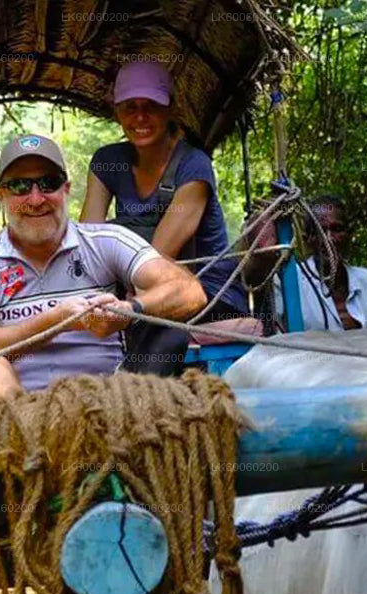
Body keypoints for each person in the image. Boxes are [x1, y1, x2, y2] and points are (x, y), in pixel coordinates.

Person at [0, 134, 206, 404]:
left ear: (66, 189)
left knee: (169, 331)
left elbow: (190, 292)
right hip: (18, 408)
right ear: (1, 195)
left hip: (108, 402)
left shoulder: (106, 241)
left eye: (48, 183)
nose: (36, 199)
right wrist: (55, 322)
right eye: (20, 186)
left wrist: (129, 310)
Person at [80, 61, 250, 375]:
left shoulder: (193, 164)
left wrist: (125, 300)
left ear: (170, 108)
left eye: (151, 107)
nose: (140, 117)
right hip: (138, 283)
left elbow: (156, 259)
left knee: (160, 320)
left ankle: (135, 392)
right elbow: (89, 242)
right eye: (130, 107)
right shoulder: (107, 161)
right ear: (116, 110)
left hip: (206, 292)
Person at [246, 195, 367, 332]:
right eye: (319, 231)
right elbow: (274, 336)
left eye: (337, 229)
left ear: (349, 235)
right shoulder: (288, 283)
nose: (329, 239)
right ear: (307, 238)